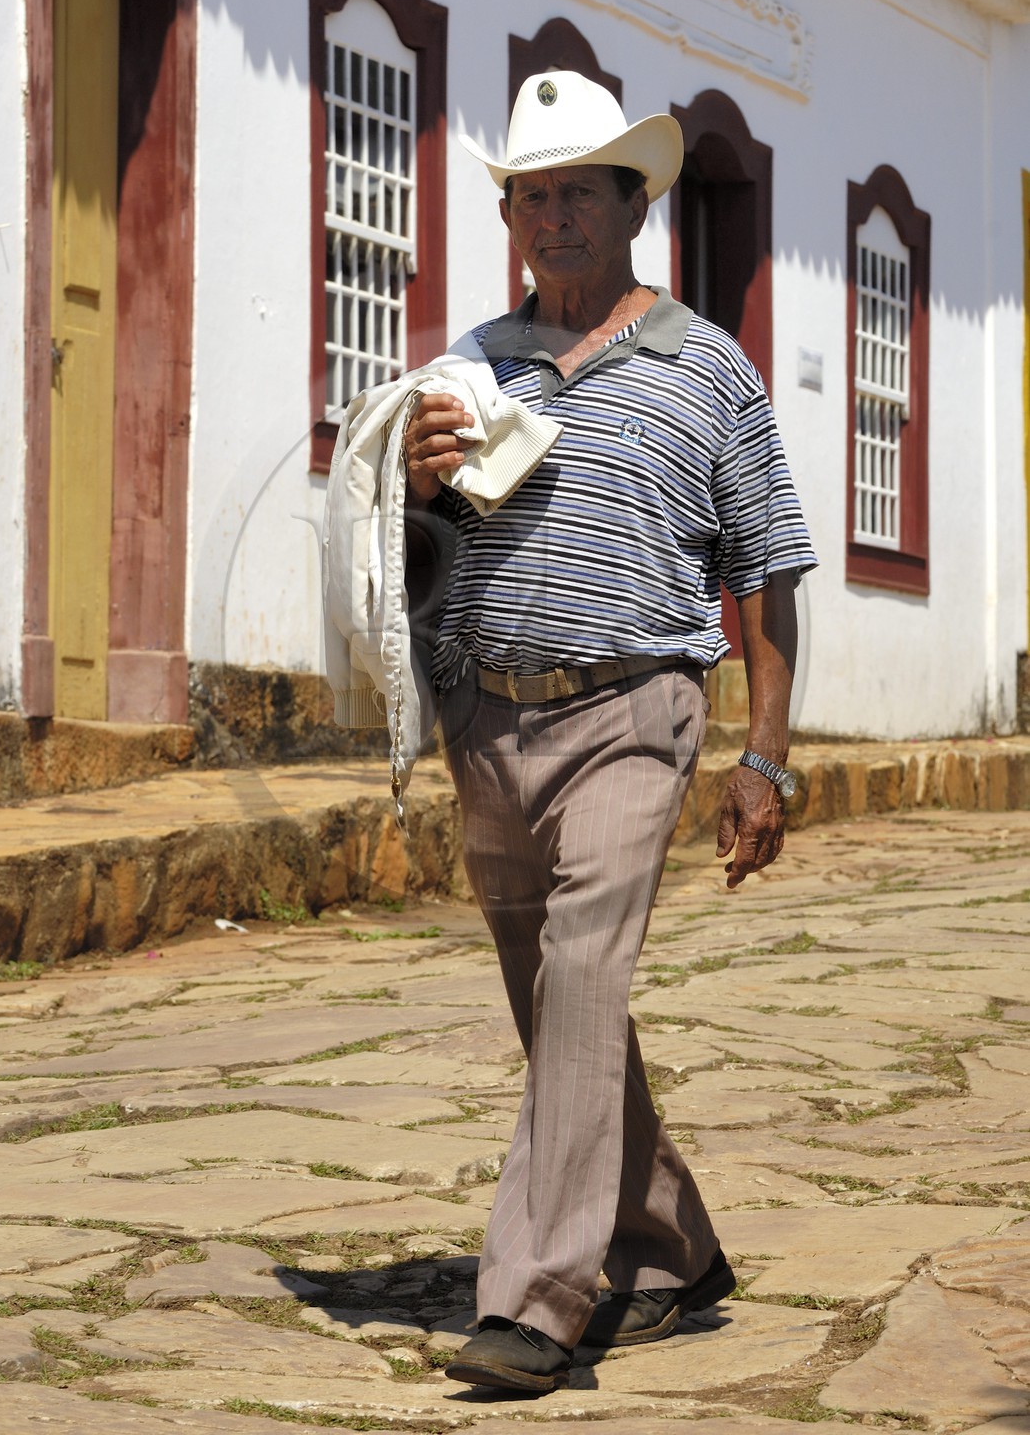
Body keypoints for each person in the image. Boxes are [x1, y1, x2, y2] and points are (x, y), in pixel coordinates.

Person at [403, 71, 816, 1395]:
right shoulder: (471, 364)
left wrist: (764, 758)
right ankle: (676, 1248)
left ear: (633, 204)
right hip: (488, 716)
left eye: (578, 189)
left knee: (581, 983)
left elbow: (769, 568)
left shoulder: (704, 365)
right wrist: (417, 495)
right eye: (530, 193)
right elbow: (417, 561)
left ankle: (535, 1298)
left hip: (634, 715)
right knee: (554, 1009)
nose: (551, 215)